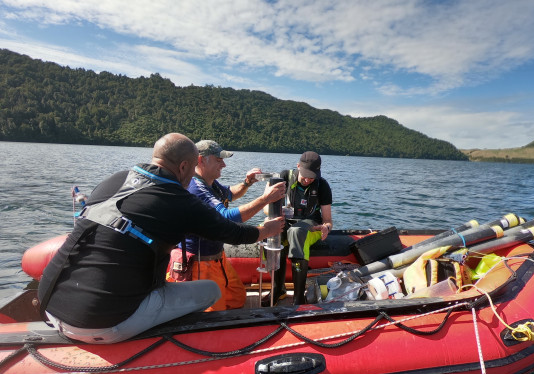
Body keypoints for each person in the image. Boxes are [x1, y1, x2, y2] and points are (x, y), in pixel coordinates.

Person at [38, 133, 284, 344]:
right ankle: (182, 341)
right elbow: (233, 231)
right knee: (210, 291)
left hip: (49, 304)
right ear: (185, 167)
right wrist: (266, 230)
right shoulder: (181, 199)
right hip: (102, 324)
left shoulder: (117, 178)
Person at [172, 139, 286, 311]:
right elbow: (226, 219)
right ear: (200, 160)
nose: (224, 164)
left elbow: (230, 193)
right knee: (213, 316)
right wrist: (266, 199)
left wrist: (247, 183)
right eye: (218, 160)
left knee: (237, 298)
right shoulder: (196, 188)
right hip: (201, 264)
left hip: (218, 258)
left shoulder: (209, 182)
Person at [263, 151, 333, 306]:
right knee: (269, 229)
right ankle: (278, 289)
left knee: (296, 232)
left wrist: (326, 228)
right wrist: (275, 212)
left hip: (311, 225)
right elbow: (266, 209)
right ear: (298, 166)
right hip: (286, 221)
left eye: (312, 176)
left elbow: (328, 220)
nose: (308, 179)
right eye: (305, 175)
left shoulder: (323, 185)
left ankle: (298, 297)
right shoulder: (283, 178)